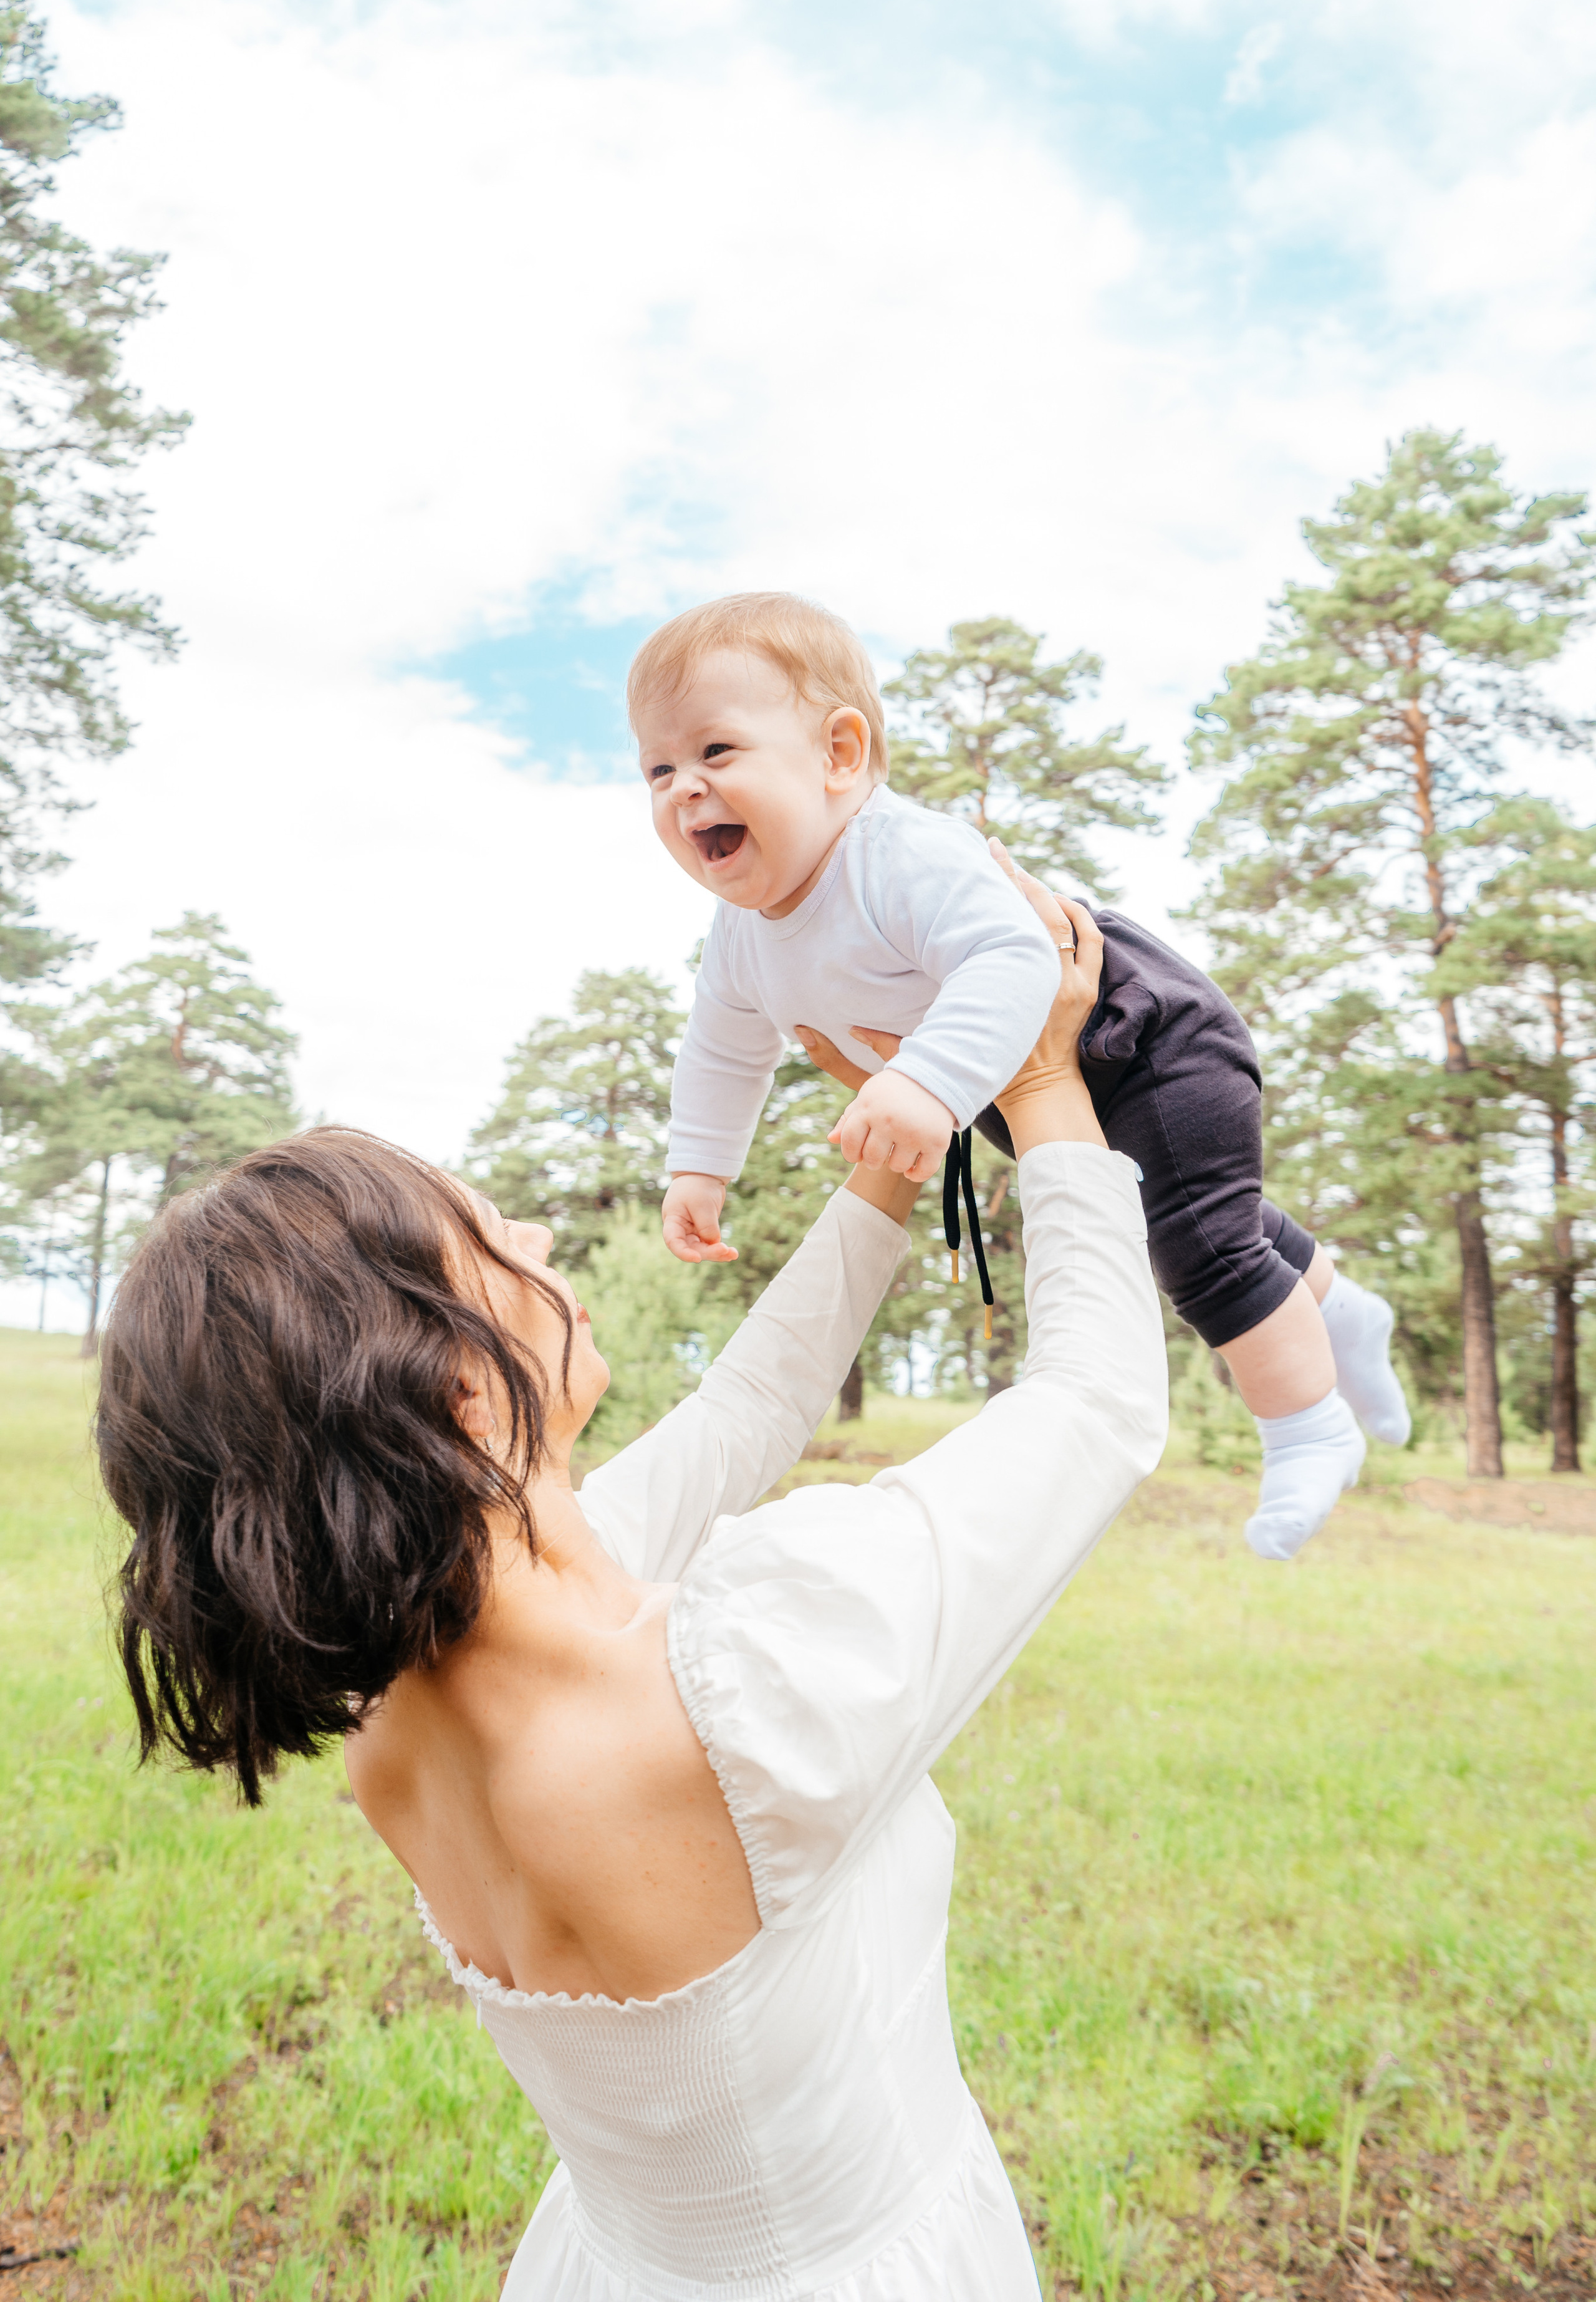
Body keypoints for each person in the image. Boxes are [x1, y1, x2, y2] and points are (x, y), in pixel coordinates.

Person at [100, 864, 1165, 2302]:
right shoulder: (755, 1674)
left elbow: (741, 1417)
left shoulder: (401, 1716)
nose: (539, 1244)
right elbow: (1094, 1407)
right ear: (464, 1400)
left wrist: (892, 1161)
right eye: (493, 1244)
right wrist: (1039, 1077)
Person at [630, 590, 1410, 1560]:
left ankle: (1305, 1427)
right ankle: (1340, 1307)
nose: (682, 789)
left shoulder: (897, 854)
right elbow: (720, 1050)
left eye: (715, 752)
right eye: (657, 768)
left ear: (839, 756)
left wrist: (923, 1084)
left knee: (1197, 1248)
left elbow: (1016, 958)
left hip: (1147, 1038)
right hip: (1019, 1088)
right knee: (1209, 1212)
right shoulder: (741, 938)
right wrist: (699, 1169)